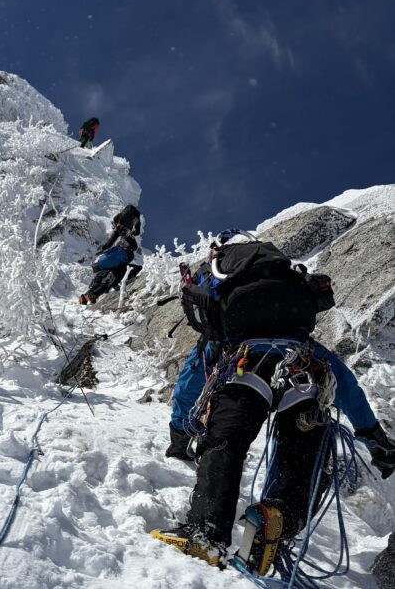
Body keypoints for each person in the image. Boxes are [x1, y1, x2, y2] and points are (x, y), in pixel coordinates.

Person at [152, 229, 395, 571]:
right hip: (303, 369)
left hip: (244, 365)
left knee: (225, 443)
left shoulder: (228, 315)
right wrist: (373, 435)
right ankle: (273, 521)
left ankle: (205, 532)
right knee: (301, 460)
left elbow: (193, 374)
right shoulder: (298, 322)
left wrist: (180, 431)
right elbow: (345, 383)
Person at [79, 204, 143, 305]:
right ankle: (95, 294)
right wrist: (133, 233)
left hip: (111, 256)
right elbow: (137, 232)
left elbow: (110, 240)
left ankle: (87, 295)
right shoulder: (136, 218)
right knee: (114, 277)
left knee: (104, 273)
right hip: (122, 255)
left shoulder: (119, 223)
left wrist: (103, 249)